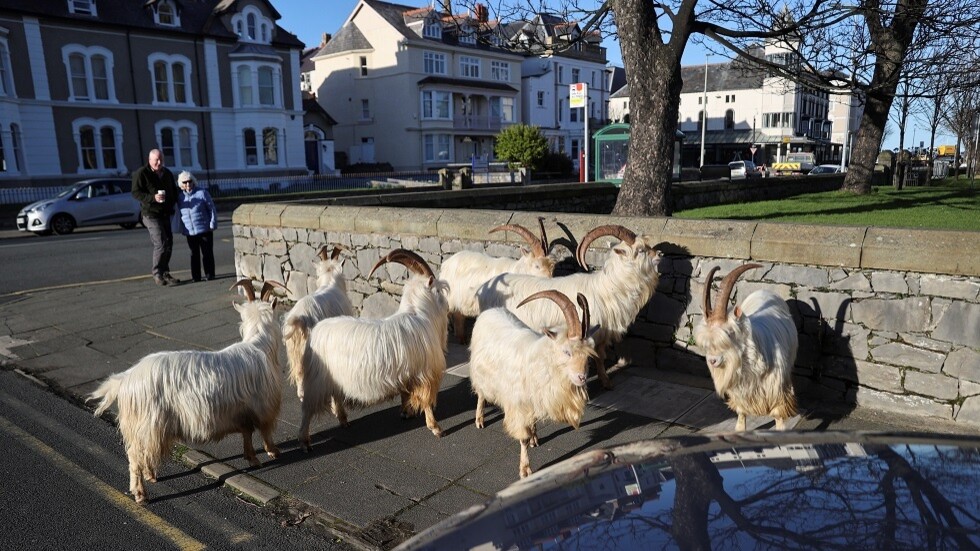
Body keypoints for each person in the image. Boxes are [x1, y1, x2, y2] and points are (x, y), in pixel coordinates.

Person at [132, 149, 180, 286]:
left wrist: (174, 203)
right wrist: (152, 198)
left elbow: (173, 191)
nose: (159, 162)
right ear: (150, 160)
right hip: (150, 213)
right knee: (161, 243)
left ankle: (165, 272)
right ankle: (157, 273)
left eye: (161, 160)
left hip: (165, 213)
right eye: (156, 160)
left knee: (169, 244)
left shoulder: (167, 173)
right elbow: (135, 192)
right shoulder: (142, 173)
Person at [173, 171, 217, 282]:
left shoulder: (202, 193)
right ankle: (196, 277)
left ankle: (210, 274)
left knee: (207, 253)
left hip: (204, 229)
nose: (188, 184)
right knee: (194, 254)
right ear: (181, 184)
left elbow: (211, 208)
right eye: (185, 182)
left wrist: (213, 223)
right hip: (190, 231)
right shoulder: (180, 197)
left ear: (193, 181)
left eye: (189, 181)